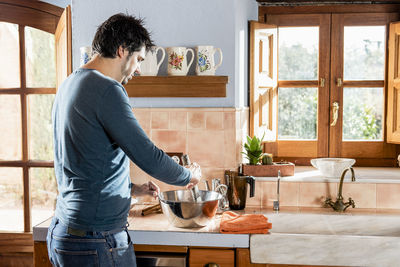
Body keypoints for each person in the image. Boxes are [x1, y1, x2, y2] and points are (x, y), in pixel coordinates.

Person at [46, 13, 200, 267]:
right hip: (95, 239)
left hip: (65, 231)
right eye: (138, 59)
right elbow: (148, 155)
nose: (138, 69)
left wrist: (132, 189)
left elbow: (84, 162)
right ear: (121, 50)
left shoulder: (70, 84)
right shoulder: (107, 90)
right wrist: (188, 175)